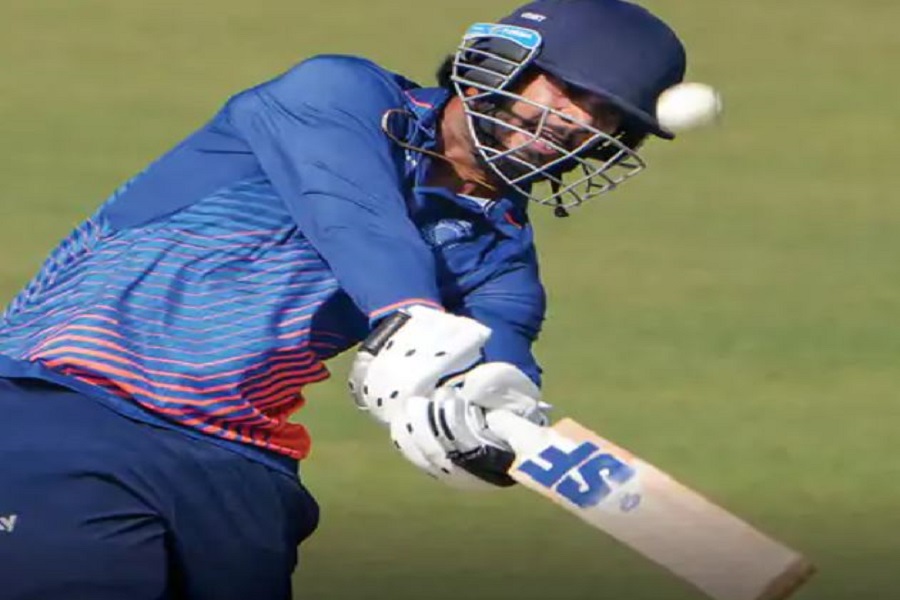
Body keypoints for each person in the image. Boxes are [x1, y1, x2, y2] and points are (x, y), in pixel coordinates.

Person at [0, 0, 687, 598]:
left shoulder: (500, 259)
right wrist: (411, 313)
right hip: (66, 408)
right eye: (570, 90)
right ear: (503, 63)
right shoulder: (338, 94)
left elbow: (498, 369)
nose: (577, 121)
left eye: (607, 116)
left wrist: (489, 424)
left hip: (245, 471)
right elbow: (354, 217)